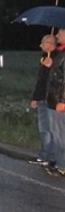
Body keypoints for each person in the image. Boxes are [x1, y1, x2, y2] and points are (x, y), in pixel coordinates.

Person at [29, 35, 57, 166]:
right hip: (42, 97)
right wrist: (35, 97)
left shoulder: (55, 58)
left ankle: (48, 156)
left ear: (50, 44)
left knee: (48, 129)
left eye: (44, 43)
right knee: (45, 128)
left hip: (49, 98)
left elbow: (50, 81)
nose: (41, 45)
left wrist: (50, 66)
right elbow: (40, 81)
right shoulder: (45, 57)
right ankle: (46, 155)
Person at [44, 28, 65, 176]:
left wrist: (62, 101)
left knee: (60, 135)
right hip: (54, 99)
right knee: (57, 133)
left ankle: (62, 166)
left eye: (60, 33)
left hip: (60, 101)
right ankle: (59, 162)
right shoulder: (60, 53)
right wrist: (50, 65)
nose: (56, 35)